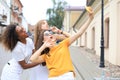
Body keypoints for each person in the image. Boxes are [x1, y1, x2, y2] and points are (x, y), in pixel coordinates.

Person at [30, 7, 94, 80]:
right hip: (49, 75)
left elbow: (77, 34)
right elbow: (32, 59)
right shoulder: (44, 53)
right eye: (44, 24)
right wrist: (44, 46)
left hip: (67, 75)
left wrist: (90, 19)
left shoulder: (62, 44)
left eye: (50, 34)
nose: (47, 25)